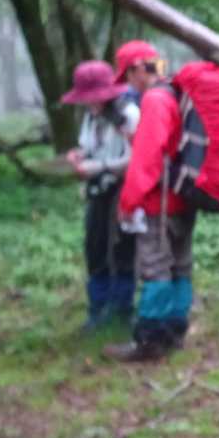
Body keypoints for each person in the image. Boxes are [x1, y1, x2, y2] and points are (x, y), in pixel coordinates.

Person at [104, 41, 195, 362]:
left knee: (155, 267)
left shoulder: (155, 99)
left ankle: (150, 340)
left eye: (128, 76)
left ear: (138, 69)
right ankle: (176, 330)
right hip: (186, 195)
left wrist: (128, 202)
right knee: (180, 264)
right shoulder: (176, 92)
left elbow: (147, 158)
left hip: (161, 202)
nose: (129, 84)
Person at [61, 60, 139, 333]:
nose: (90, 103)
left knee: (122, 248)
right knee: (95, 246)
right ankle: (98, 308)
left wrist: (101, 166)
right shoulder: (91, 116)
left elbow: (135, 159)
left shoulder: (129, 115)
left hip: (124, 188)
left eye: (94, 97)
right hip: (97, 189)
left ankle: (121, 309)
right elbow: (88, 146)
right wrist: (78, 155)